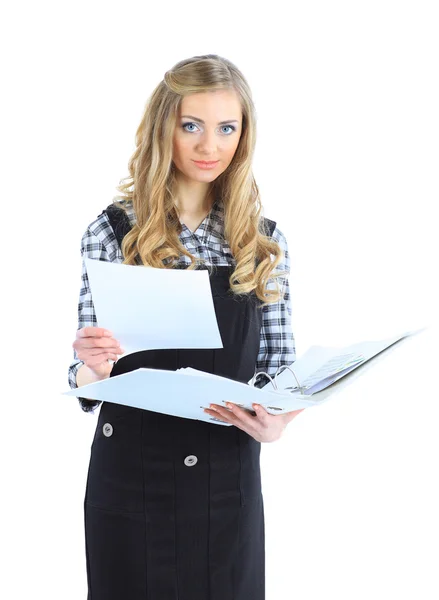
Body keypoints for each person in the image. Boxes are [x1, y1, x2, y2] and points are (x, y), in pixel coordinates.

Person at [68, 53, 304, 600]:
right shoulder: (112, 232)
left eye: (227, 128)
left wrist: (278, 422)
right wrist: (91, 366)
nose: (209, 146)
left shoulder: (263, 241)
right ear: (163, 127)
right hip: (132, 476)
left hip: (226, 480)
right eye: (191, 125)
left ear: (244, 135)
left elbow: (278, 372)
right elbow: (86, 379)